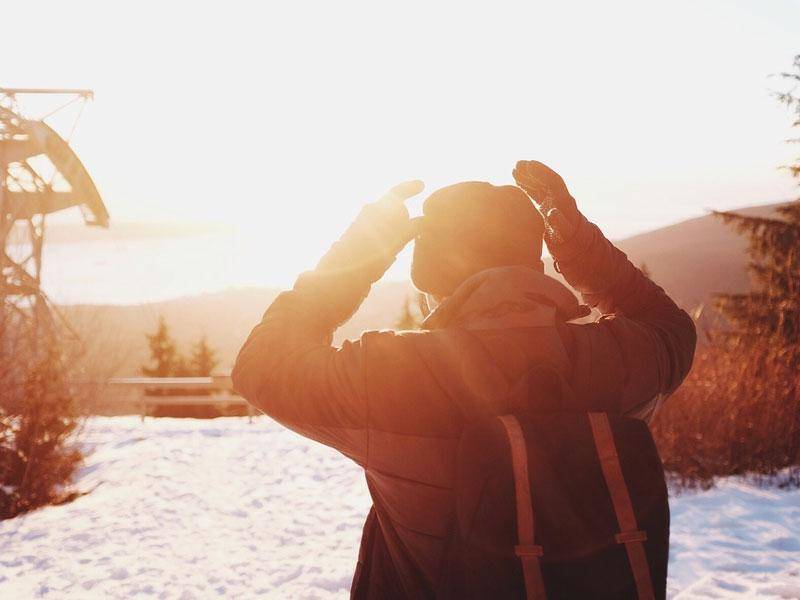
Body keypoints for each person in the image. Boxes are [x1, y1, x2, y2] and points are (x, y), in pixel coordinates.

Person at [232, 160, 697, 599]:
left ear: (433, 281)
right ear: (530, 262)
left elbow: (262, 364)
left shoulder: (392, 374)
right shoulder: (616, 360)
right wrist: (580, 249)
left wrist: (359, 255)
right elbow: (672, 328)